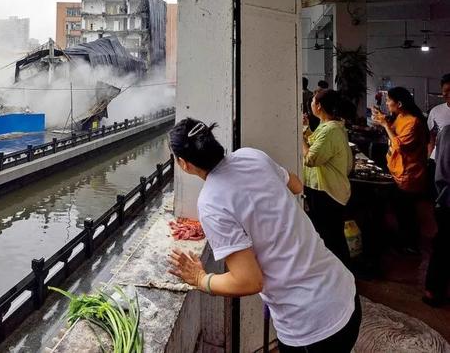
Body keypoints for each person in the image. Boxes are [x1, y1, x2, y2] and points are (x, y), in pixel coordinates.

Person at [167, 118, 360, 352]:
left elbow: (248, 280)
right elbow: (297, 185)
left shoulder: (211, 202)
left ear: (183, 164)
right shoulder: (251, 156)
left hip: (311, 326)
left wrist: (200, 279)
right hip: (343, 291)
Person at [373, 86, 429, 253]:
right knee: (400, 209)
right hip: (397, 171)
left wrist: (385, 125)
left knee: (406, 212)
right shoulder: (400, 117)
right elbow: (393, 133)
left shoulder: (413, 122)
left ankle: (410, 245)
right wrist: (383, 121)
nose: (388, 103)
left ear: (399, 103)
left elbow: (400, 145)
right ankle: (404, 240)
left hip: (409, 175)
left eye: (389, 100)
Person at [302, 89, 353, 265]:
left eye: (312, 101)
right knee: (329, 236)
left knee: (331, 239)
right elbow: (316, 145)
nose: (310, 105)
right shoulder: (329, 126)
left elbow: (311, 158)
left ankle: (341, 276)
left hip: (326, 192)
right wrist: (306, 130)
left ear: (319, 106)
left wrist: (300, 135)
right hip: (324, 189)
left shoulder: (330, 130)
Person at [424, 126, 450, 307]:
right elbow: (443, 173)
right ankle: (433, 292)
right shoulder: (448, 133)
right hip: (448, 202)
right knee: (443, 247)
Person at [428, 74, 450, 159]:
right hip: (439, 159)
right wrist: (429, 156)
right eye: (446, 90)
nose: (449, 94)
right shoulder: (435, 111)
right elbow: (431, 137)